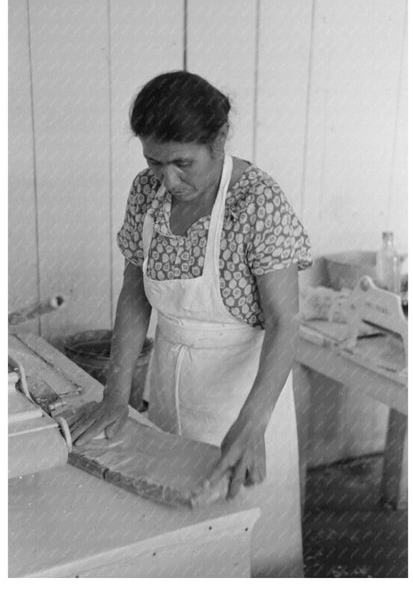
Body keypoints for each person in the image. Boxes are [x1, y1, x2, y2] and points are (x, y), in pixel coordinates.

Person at [69, 70, 312, 576]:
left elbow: (286, 322)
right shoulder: (147, 193)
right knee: (174, 540)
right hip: (169, 381)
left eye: (183, 163)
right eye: (154, 162)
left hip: (245, 396)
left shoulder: (258, 203)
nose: (169, 180)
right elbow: (135, 293)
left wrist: (253, 423)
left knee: (247, 543)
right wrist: (116, 394)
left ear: (219, 139)